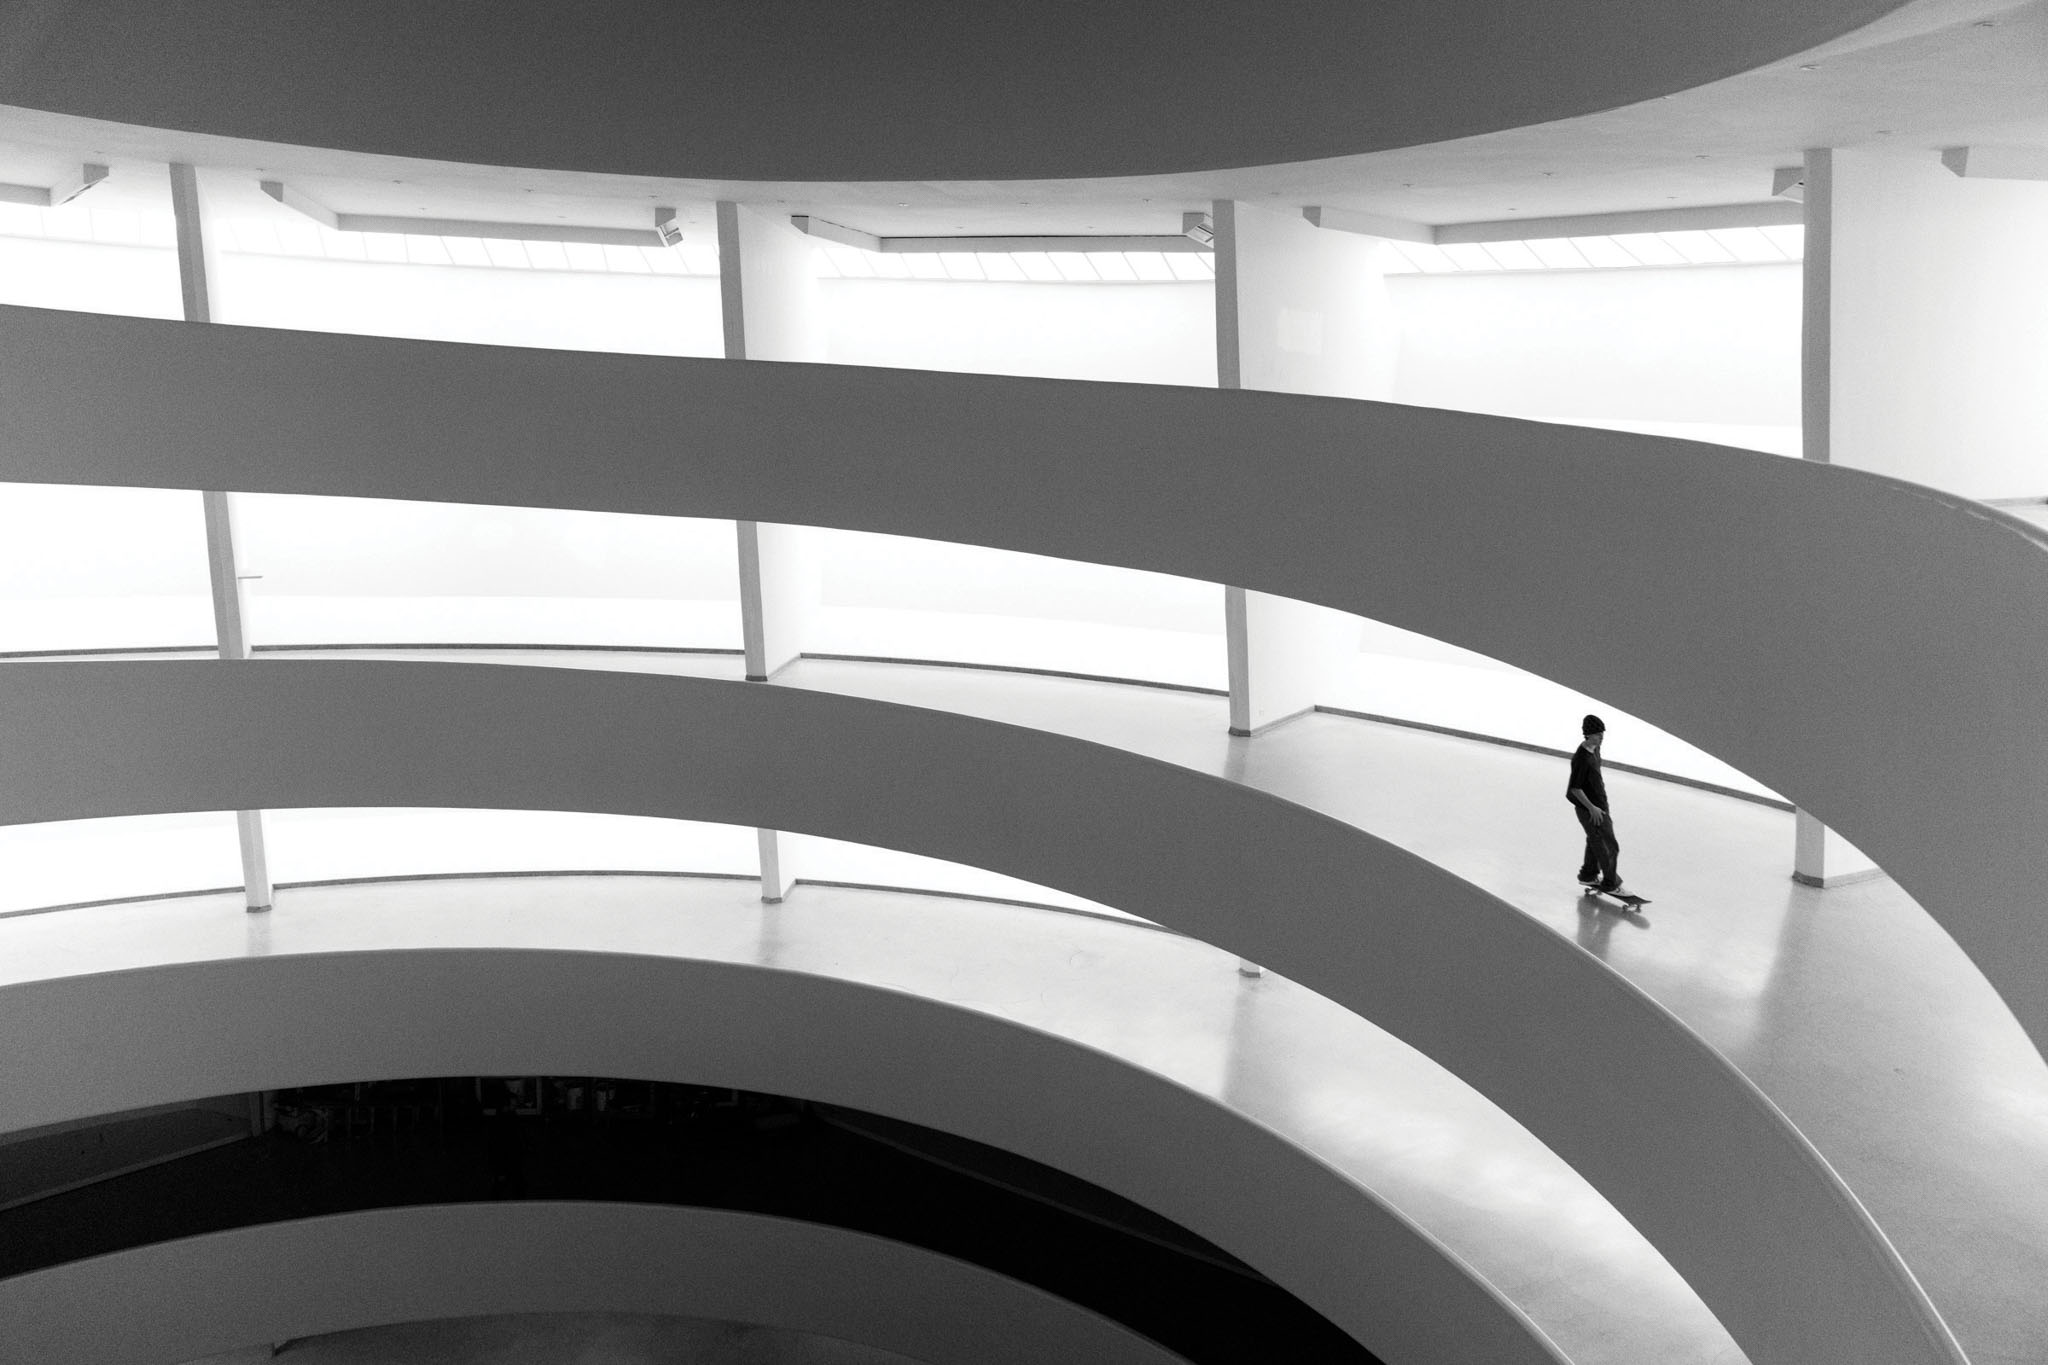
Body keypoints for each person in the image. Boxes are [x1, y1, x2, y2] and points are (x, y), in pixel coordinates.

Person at [1568, 714, 1622, 893]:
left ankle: (1588, 875)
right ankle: (1610, 883)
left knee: (1595, 841)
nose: (1602, 738)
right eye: (1598, 735)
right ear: (1588, 734)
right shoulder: (1581, 758)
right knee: (1609, 846)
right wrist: (1592, 808)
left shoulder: (1596, 750)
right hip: (1591, 809)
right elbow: (1575, 788)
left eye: (1602, 734)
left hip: (1600, 805)